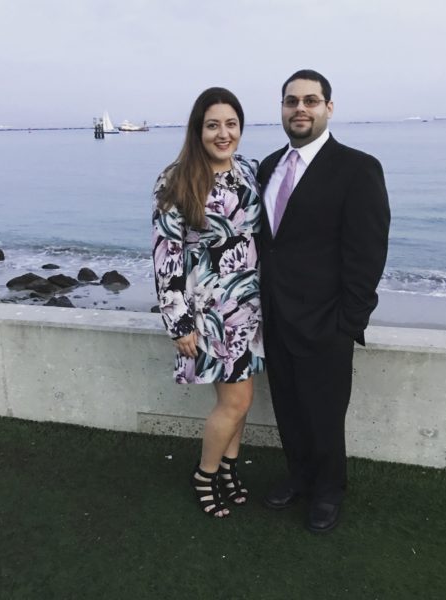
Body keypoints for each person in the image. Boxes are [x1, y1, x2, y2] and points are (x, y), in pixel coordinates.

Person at [258, 69, 390, 533]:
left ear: (328, 108)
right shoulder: (268, 166)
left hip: (326, 322)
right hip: (274, 316)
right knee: (288, 407)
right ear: (282, 109)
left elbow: (368, 252)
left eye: (310, 100)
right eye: (291, 101)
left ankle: (329, 490)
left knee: (325, 413)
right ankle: (299, 476)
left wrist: (348, 323)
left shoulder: (358, 168)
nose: (300, 109)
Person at [152, 87, 265, 518]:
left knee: (243, 397)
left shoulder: (250, 170)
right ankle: (206, 474)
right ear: (198, 130)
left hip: (250, 305)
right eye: (213, 125)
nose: (223, 133)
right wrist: (178, 322)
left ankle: (228, 468)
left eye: (231, 124)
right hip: (211, 311)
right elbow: (166, 255)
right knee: (234, 401)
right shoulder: (176, 178)